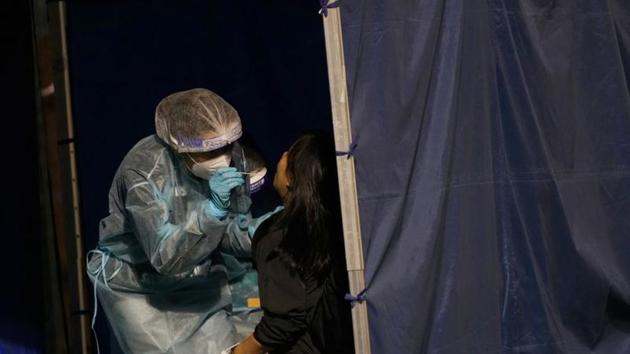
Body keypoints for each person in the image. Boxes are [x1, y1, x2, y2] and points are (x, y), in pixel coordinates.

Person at [87, 88, 257, 354]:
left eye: (224, 147)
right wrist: (212, 213)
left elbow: (230, 233)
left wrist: (257, 232)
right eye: (209, 151)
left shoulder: (235, 157)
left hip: (198, 283)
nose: (222, 158)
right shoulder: (143, 168)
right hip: (138, 288)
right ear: (179, 145)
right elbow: (165, 256)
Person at [230, 132, 355, 354]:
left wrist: (237, 352)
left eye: (290, 154)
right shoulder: (346, 225)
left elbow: (283, 323)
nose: (283, 155)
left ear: (291, 178)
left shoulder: (280, 237)